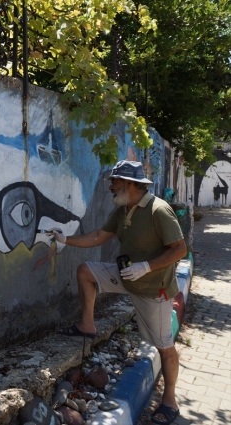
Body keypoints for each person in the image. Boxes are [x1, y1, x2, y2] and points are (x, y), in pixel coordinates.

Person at [49, 160, 187, 425]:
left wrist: (146, 267)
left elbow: (180, 249)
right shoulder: (125, 208)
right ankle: (87, 325)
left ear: (131, 184)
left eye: (115, 181)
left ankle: (170, 399)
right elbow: (100, 235)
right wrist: (66, 239)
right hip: (127, 276)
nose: (110, 186)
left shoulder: (159, 210)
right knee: (86, 271)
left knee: (164, 347)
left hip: (152, 288)